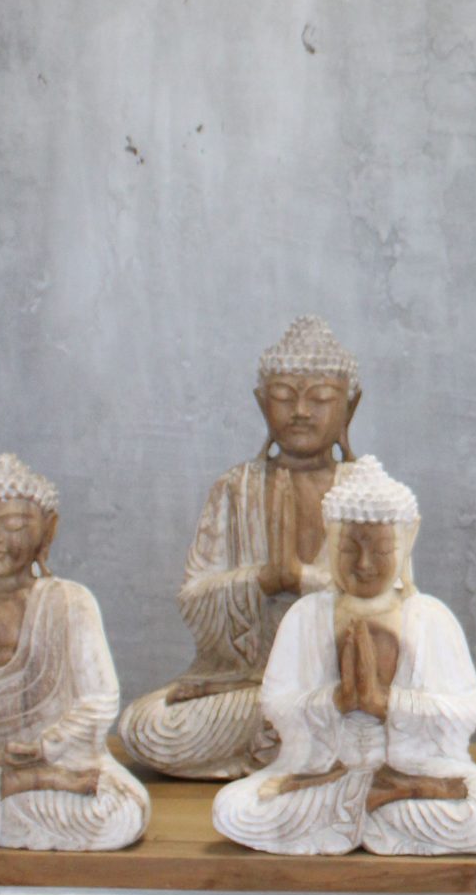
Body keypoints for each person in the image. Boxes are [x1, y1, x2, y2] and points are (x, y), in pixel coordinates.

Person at [212, 455, 476, 855]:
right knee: (232, 809)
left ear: (407, 540)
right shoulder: (306, 616)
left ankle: (377, 797)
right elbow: (275, 703)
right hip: (323, 770)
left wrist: (385, 703)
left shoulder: (430, 618)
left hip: (416, 771)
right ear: (331, 541)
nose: (364, 564)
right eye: (348, 549)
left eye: (381, 550)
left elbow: (467, 711)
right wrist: (337, 700)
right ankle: (368, 799)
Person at [119, 315, 362, 777]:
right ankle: (298, 745)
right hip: (247, 686)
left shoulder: (370, 492)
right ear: (261, 403)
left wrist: (301, 578)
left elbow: (395, 602)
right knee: (146, 726)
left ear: (350, 406)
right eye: (284, 397)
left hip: (336, 687)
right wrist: (263, 579)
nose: (301, 411)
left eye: (320, 398)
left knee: (375, 715)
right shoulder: (234, 488)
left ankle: (298, 739)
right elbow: (193, 597)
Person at [0, 453, 148, 849]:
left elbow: (98, 700)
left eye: (13, 525)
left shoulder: (68, 601)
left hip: (52, 758)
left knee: (120, 810)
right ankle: (16, 787)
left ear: (47, 531)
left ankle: (13, 790)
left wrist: (45, 745)